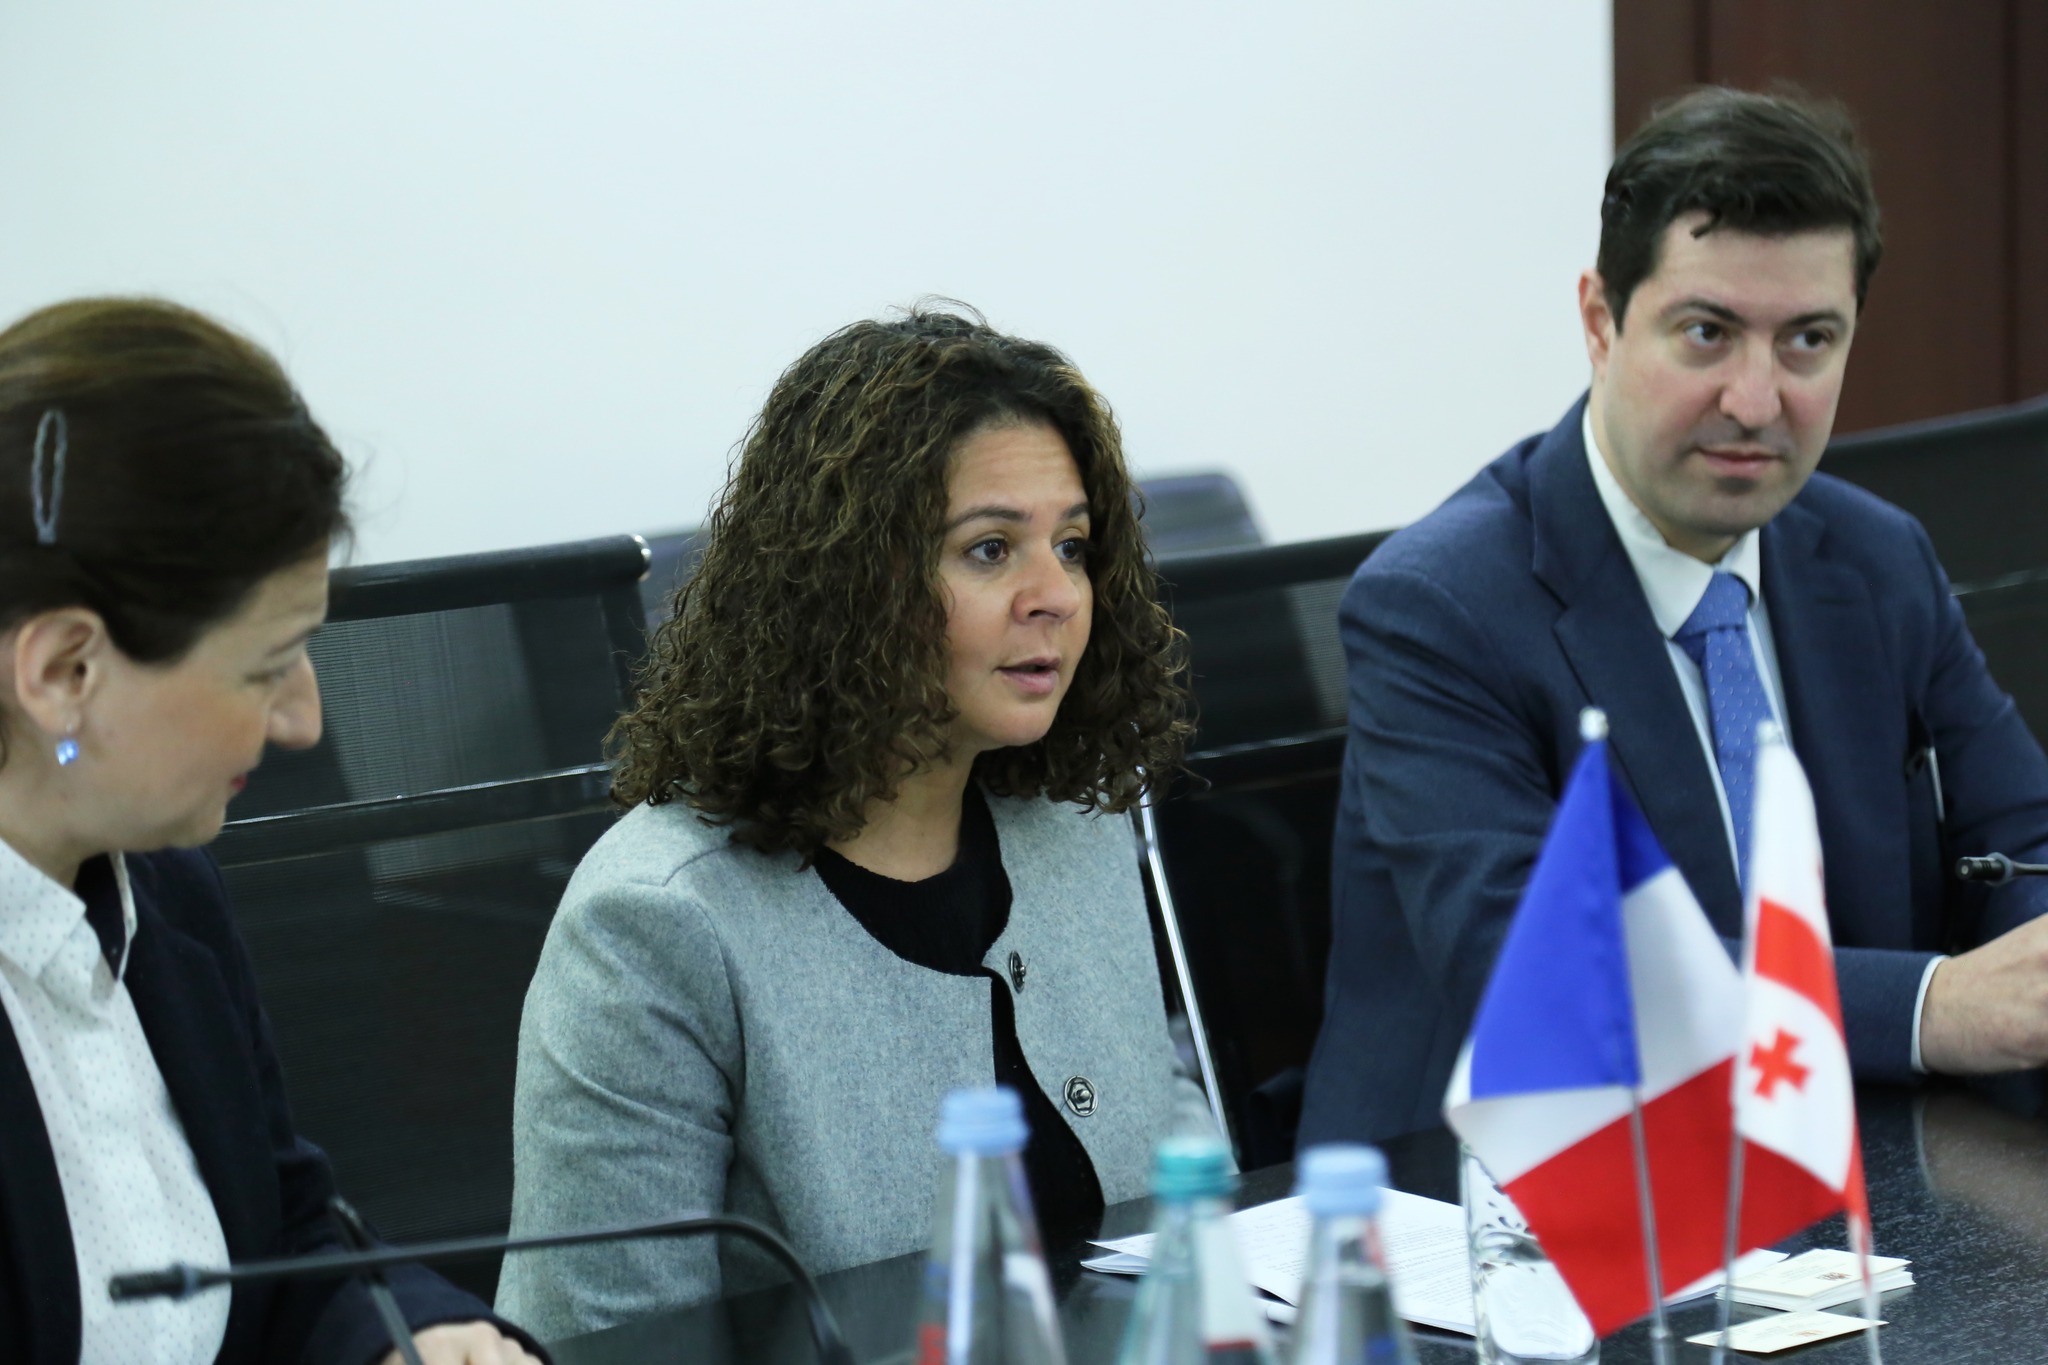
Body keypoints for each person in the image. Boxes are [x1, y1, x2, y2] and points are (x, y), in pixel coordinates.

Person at [1300, 87, 2048, 1147]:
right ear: (1599, 322)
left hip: (1853, 1154)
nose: (1756, 400)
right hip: (1522, 1186)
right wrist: (1934, 1008)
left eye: (1807, 340)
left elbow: (2024, 837)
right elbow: (1553, 976)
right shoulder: (1435, 607)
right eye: (1706, 333)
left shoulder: (1876, 559)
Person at [497, 306, 1205, 1338]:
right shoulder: (655, 922)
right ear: (847, 586)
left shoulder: (1074, 829)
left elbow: (1176, 1169)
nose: (1055, 593)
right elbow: (611, 1342)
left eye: (1072, 545)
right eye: (989, 549)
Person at [0, 298, 544, 1365]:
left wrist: (405, 1337)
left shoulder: (168, 891)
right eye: (266, 665)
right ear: (65, 671)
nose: (304, 720)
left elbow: (286, 1229)